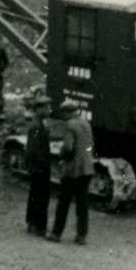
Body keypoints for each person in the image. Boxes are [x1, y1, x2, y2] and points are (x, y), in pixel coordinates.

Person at [48, 100, 93, 245]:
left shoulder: (70, 125)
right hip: (87, 168)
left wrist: (61, 156)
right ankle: (81, 236)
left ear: (68, 112)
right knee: (82, 203)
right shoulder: (86, 124)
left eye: (64, 113)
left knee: (63, 203)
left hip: (73, 169)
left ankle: (56, 233)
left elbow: (68, 147)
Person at [23, 97, 54, 237]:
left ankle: (31, 223)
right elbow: (33, 150)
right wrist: (45, 164)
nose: (49, 110)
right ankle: (39, 227)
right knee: (41, 196)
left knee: (35, 195)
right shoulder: (36, 126)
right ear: (39, 109)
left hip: (38, 166)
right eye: (46, 107)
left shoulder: (39, 124)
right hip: (39, 167)